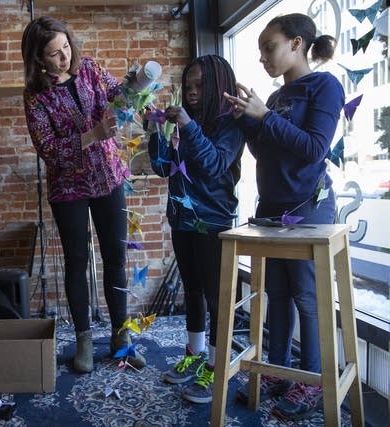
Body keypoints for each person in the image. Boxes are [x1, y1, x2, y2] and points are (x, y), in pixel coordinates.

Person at [223, 13, 344, 421]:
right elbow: (267, 152)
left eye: (269, 47)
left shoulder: (324, 86)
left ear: (297, 44)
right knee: (277, 294)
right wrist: (249, 121)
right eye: (259, 51)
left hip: (309, 210)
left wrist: (266, 118)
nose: (263, 58)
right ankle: (279, 372)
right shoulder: (274, 98)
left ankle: (311, 381)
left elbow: (314, 149)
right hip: (272, 212)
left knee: (308, 299)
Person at [21, 16, 146, 374]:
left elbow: (116, 97)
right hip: (68, 187)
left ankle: (121, 339)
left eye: (66, 47)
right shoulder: (35, 96)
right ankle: (84, 340)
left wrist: (134, 86)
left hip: (109, 177)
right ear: (38, 59)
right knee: (78, 263)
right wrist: (92, 134)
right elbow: (48, 149)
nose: (64, 57)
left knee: (116, 259)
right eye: (53, 54)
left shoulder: (90, 68)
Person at [147, 54, 244, 403]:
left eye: (200, 85)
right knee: (192, 290)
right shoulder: (187, 124)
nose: (191, 92)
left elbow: (215, 166)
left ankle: (217, 369)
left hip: (213, 220)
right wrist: (156, 130)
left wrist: (187, 125)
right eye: (188, 86)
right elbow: (161, 168)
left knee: (217, 297)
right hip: (181, 218)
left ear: (219, 84)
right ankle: (196, 354)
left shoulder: (231, 123)